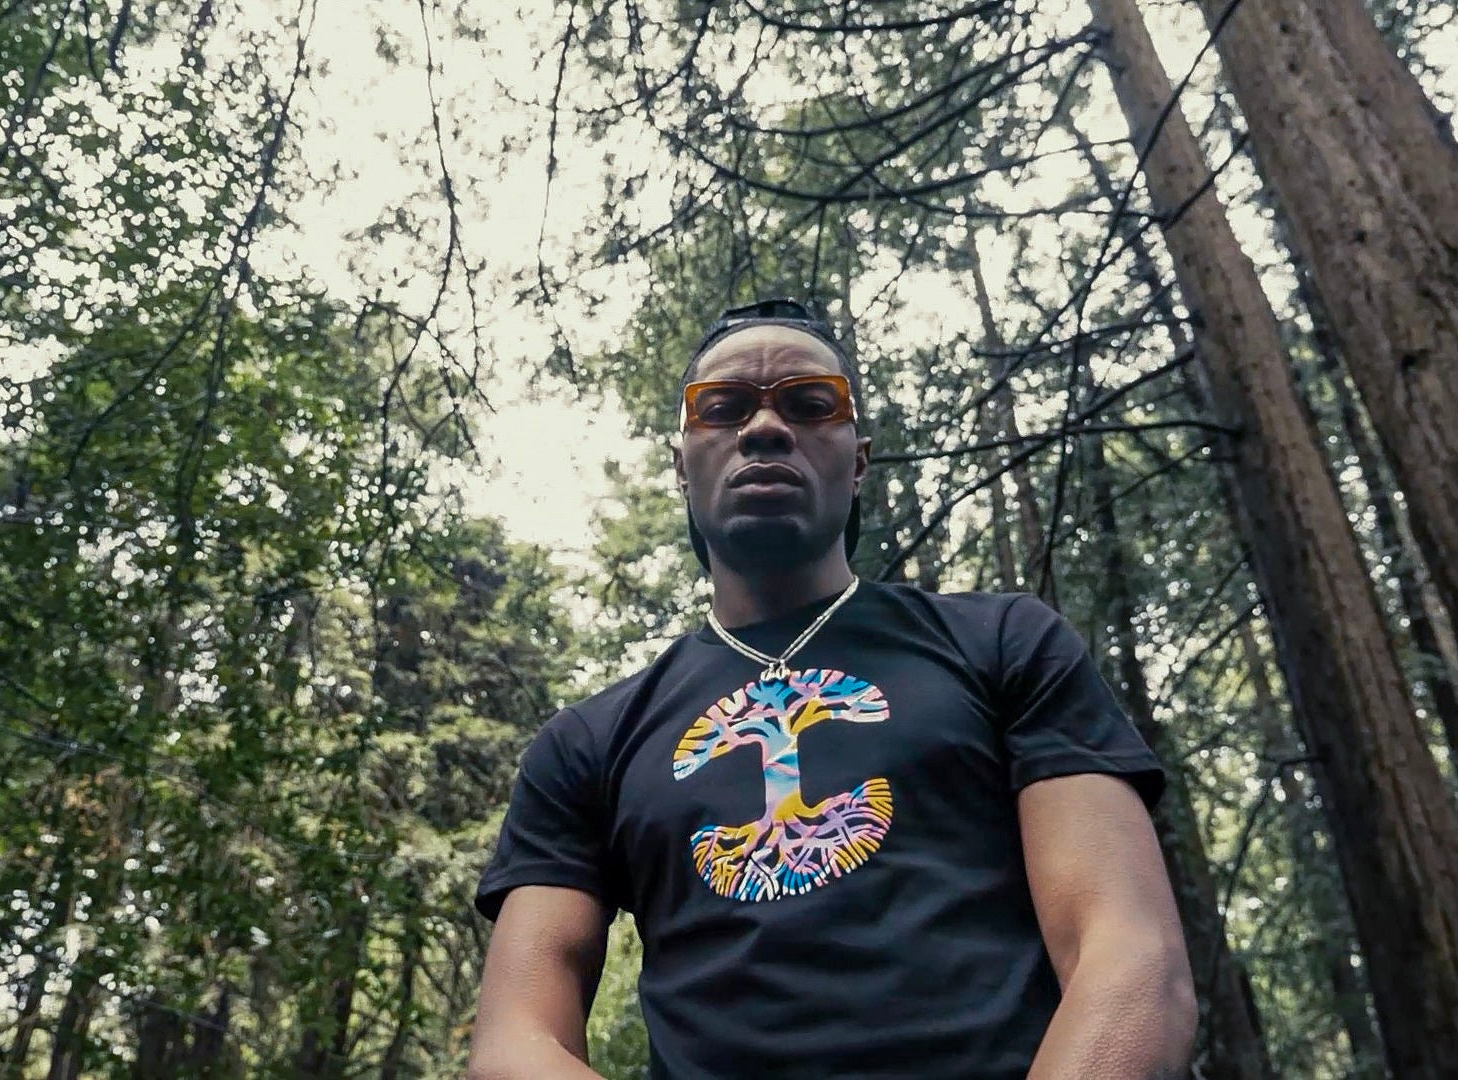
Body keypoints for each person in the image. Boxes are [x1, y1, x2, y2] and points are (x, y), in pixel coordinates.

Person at [469, 299, 1196, 1079]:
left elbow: (1130, 956)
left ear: (857, 461)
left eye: (811, 404)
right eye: (722, 408)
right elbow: (516, 1040)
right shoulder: (589, 741)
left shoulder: (1002, 643)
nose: (765, 428)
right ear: (682, 465)